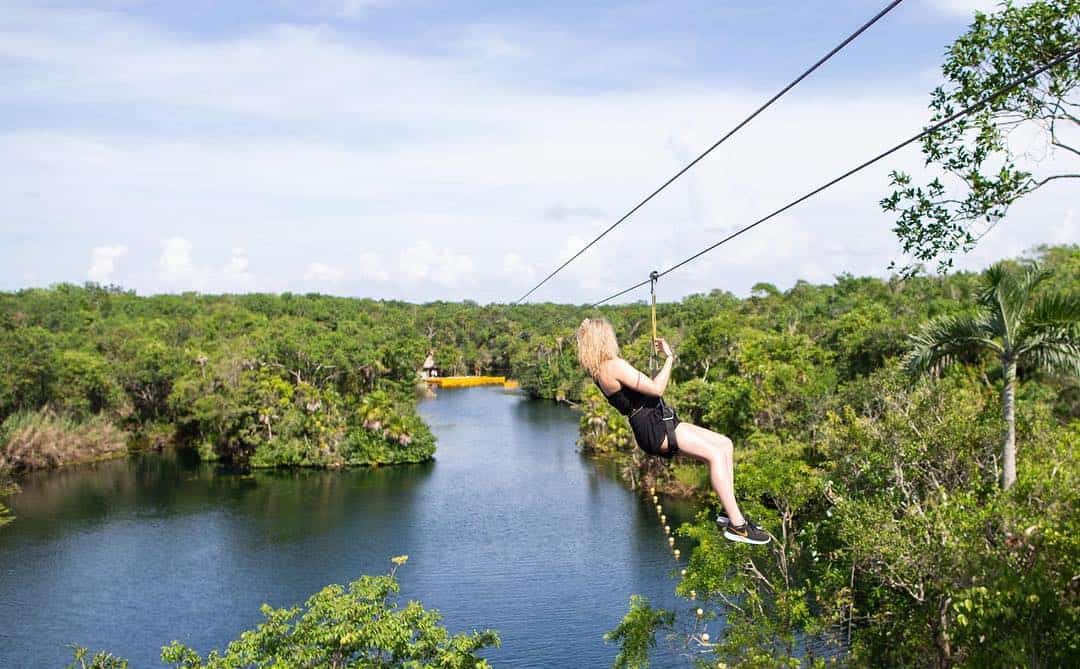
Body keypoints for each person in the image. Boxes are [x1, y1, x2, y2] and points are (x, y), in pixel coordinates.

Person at [575, 318, 770, 545]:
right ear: (604, 339)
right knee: (715, 455)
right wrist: (669, 358)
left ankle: (728, 512)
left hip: (658, 420)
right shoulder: (612, 366)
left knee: (725, 444)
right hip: (654, 427)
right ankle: (738, 526)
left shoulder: (599, 370)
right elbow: (657, 389)